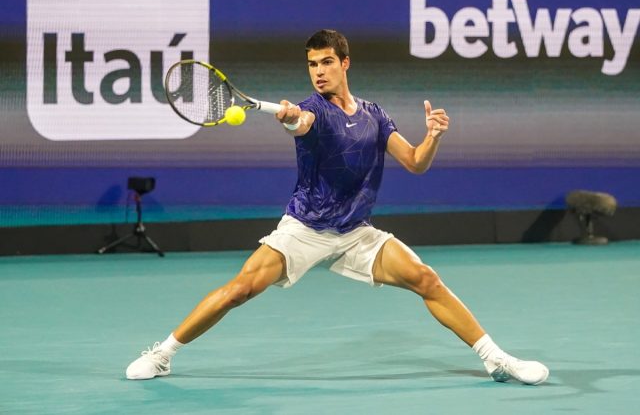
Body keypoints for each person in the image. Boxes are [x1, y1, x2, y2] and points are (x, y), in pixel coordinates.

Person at [126, 29, 548, 385]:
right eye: (312, 65)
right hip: (305, 228)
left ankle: (496, 358)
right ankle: (162, 353)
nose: (319, 72)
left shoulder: (375, 115)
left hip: (357, 233)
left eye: (326, 62)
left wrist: (433, 136)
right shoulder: (312, 111)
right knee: (239, 290)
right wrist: (291, 117)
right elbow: (302, 124)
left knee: (426, 278)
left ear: (345, 64)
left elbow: (415, 163)